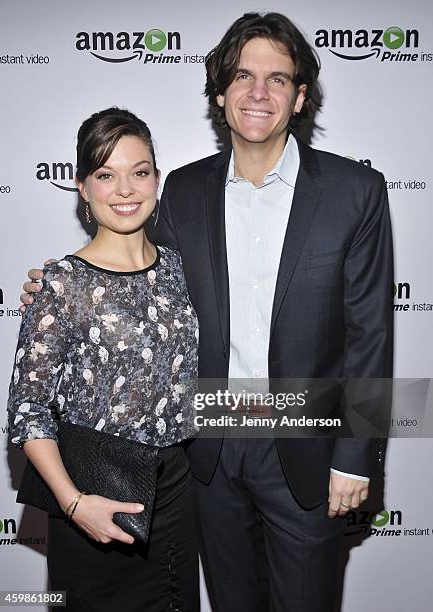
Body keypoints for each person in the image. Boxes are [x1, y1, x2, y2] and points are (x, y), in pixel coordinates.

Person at [21, 12, 393, 612]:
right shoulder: (184, 192)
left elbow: (372, 332)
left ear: (300, 97)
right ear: (220, 92)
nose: (258, 93)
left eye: (278, 79)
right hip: (207, 453)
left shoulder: (356, 192)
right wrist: (55, 288)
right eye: (243, 75)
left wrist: (356, 455)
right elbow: (132, 271)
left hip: (308, 448)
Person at [10, 107, 200, 612]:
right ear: (82, 188)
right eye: (105, 175)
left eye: (139, 172)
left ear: (157, 181)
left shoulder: (181, 269)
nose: (125, 190)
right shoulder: (62, 284)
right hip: (94, 496)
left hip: (177, 495)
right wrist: (75, 505)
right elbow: (28, 415)